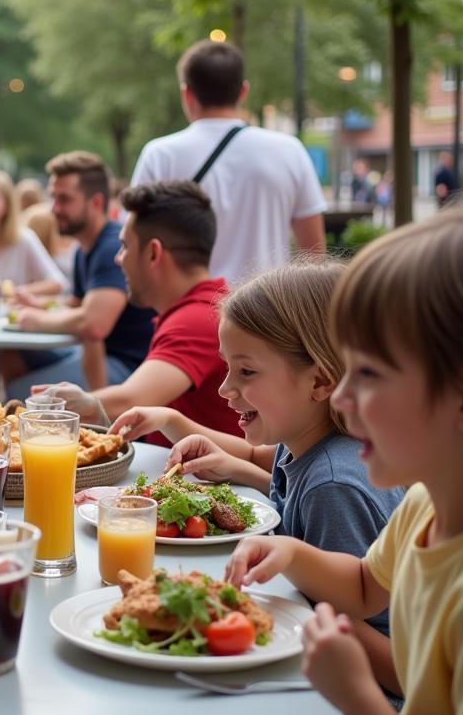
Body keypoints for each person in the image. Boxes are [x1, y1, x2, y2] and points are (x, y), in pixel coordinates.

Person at [226, 207, 463, 715]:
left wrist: (360, 700)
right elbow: (366, 585)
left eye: (367, 375)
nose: (339, 396)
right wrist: (292, 556)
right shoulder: (427, 503)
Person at [112, 261, 406, 688]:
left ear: (319, 381)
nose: (224, 387)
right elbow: (254, 453)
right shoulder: (307, 437)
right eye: (227, 367)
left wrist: (281, 611)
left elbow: (384, 658)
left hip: (358, 704)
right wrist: (178, 424)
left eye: (246, 371)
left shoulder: (333, 485)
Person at [36, 180, 240, 441]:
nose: (118, 258)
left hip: (196, 480)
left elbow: (130, 400)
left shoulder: (197, 318)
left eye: (125, 247)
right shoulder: (201, 306)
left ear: (153, 253)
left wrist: (45, 407)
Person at [130, 39, 326, 283]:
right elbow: (315, 255)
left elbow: (135, 245)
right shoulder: (290, 150)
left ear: (187, 93)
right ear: (243, 91)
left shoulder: (160, 155)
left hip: (191, 311)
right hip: (267, 312)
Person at [5, 152, 155, 399]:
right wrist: (41, 305)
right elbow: (77, 304)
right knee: (11, 354)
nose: (54, 209)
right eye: (53, 197)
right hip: (93, 352)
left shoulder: (111, 247)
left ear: (95, 202)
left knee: (16, 394)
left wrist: (37, 319)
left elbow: (94, 324)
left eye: (64, 199)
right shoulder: (82, 247)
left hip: (126, 364)